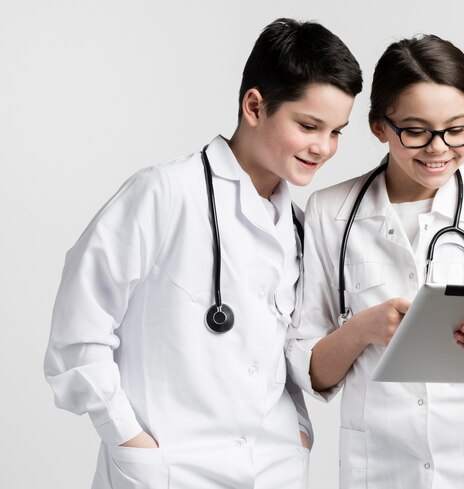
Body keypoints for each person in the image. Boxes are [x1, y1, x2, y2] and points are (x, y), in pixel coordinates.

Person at [44, 18, 362, 489]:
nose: (324, 147)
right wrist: (127, 437)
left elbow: (285, 357)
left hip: (274, 467)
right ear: (254, 106)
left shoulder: (298, 227)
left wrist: (297, 431)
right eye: (309, 125)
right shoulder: (164, 193)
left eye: (337, 131)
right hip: (169, 468)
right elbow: (78, 331)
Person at [286, 34, 464, 489]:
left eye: (457, 129)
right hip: (379, 468)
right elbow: (312, 372)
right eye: (415, 130)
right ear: (379, 126)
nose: (439, 148)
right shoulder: (329, 212)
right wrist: (364, 329)